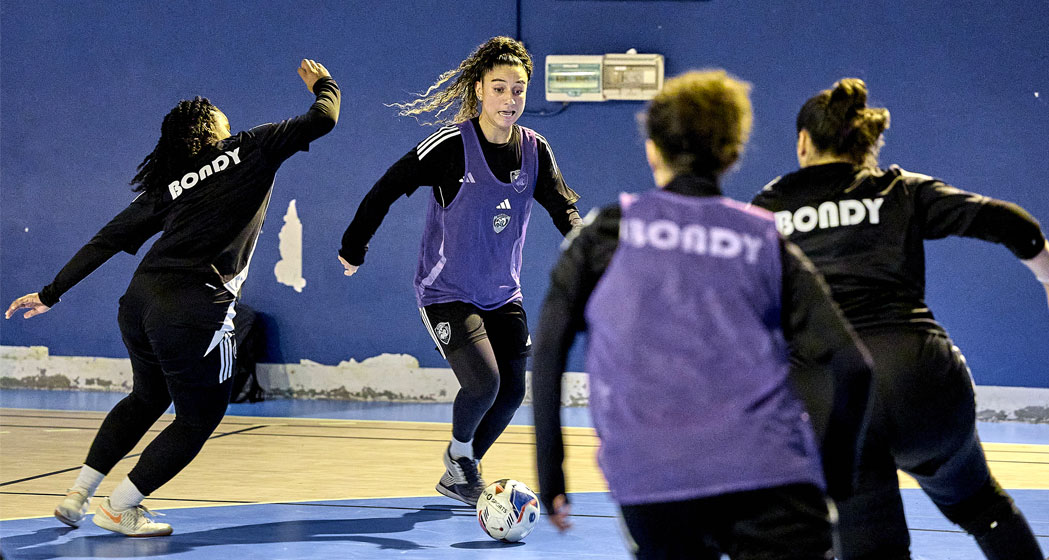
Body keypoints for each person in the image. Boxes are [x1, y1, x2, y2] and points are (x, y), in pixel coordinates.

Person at [532, 69, 874, 560]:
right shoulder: (765, 241)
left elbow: (548, 349)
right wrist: (835, 479)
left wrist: (552, 472)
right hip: (773, 477)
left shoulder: (605, 234)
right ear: (733, 154)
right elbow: (855, 367)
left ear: (653, 149)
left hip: (653, 483)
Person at [750, 78, 1049, 560]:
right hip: (923, 381)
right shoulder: (899, 190)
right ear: (866, 143)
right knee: (984, 508)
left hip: (835, 394)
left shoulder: (767, 208)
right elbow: (1014, 223)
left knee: (862, 541)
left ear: (803, 142)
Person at [5, 59, 340, 536]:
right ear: (211, 130)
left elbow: (106, 239)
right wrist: (323, 85)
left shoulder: (171, 184)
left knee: (146, 397)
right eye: (222, 115)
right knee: (197, 419)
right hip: (192, 309)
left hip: (138, 302)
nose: (229, 118)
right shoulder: (251, 146)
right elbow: (323, 118)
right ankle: (120, 507)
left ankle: (77, 494)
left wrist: (51, 293)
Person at [338, 36, 582, 506]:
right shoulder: (451, 146)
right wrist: (354, 245)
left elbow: (563, 207)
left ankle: (460, 462)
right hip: (445, 291)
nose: (509, 99)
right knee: (484, 383)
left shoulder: (535, 150)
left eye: (518, 90)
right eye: (499, 88)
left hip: (502, 293)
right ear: (478, 90)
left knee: (511, 393)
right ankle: (462, 463)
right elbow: (387, 187)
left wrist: (585, 243)